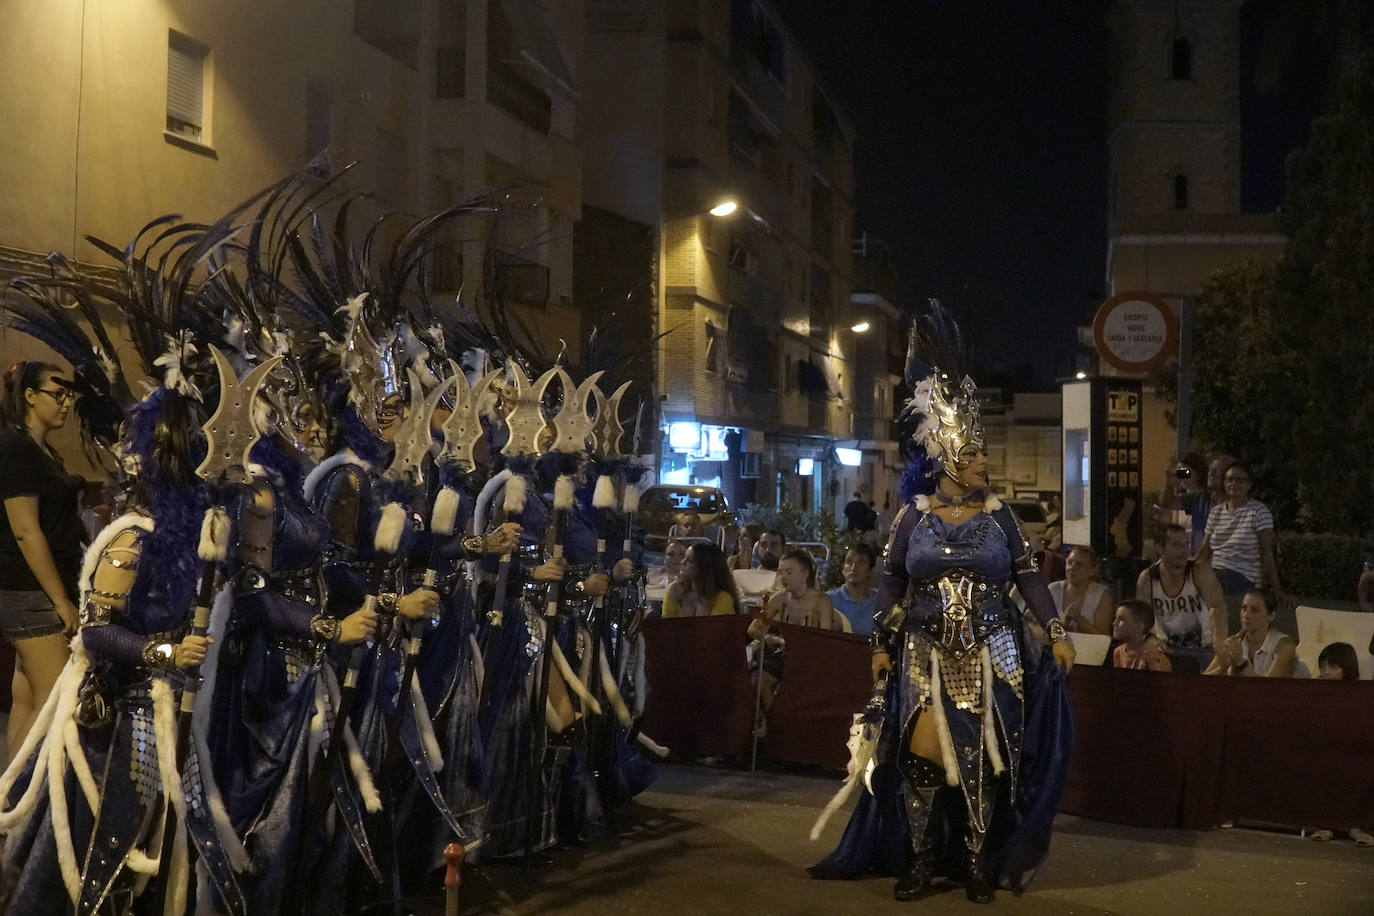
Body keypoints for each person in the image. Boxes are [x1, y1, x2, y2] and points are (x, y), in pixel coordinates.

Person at [810, 305, 1074, 903]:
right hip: (922, 647)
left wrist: (1055, 631)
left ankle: (978, 863)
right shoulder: (911, 519)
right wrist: (879, 646)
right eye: (977, 452)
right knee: (922, 752)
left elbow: (1031, 580)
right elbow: (889, 584)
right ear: (949, 455)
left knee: (984, 753)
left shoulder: (1001, 517)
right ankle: (924, 860)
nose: (985, 461)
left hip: (994, 647)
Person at [0, 361, 83, 758]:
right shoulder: (16, 449)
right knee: (54, 703)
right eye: (57, 393)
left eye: (70, 395)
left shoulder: (39, 449)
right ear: (30, 396)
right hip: (32, 591)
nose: (66, 403)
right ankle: (14, 801)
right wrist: (61, 600)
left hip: (34, 590)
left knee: (27, 699)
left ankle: (8, 806)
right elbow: (25, 531)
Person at [1196, 462, 1283, 632]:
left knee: (1209, 581)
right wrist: (1190, 571)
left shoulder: (1258, 512)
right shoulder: (1217, 512)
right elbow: (1205, 549)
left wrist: (1275, 588)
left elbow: (1267, 552)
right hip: (1215, 571)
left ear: (1249, 484)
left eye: (1239, 480)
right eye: (1229, 479)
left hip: (1242, 575)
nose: (1233, 484)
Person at [1135, 523, 1227, 673]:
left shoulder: (1199, 572)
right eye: (1177, 545)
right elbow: (1141, 619)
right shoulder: (1148, 579)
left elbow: (1217, 607)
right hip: (1166, 651)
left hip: (1202, 651)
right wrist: (1151, 638)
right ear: (1160, 548)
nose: (1184, 550)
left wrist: (1218, 638)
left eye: (1186, 544)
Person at [1204, 588, 1298, 677]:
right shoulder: (1234, 644)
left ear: (1271, 616)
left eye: (1254, 610)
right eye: (1244, 609)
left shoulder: (1284, 646)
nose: (1246, 615)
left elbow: (1267, 689)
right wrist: (1220, 669)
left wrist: (1240, 663)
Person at [1047, 545, 1114, 635]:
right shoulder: (1053, 589)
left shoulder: (1103, 594)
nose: (1072, 568)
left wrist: (1079, 620)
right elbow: (1041, 629)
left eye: (1079, 564)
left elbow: (1102, 637)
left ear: (1092, 570)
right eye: (1069, 563)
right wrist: (1064, 620)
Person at [662, 542, 741, 617]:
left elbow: (713, 630)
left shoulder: (722, 598)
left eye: (689, 560)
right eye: (684, 557)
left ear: (704, 568)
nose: (682, 562)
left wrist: (702, 608)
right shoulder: (674, 590)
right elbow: (665, 626)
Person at [828, 541, 879, 636]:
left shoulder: (879, 600)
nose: (853, 567)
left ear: (870, 569)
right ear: (843, 569)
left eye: (861, 562)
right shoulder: (829, 600)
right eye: (849, 561)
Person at [1110, 600, 1171, 671]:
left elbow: (1159, 680)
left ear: (1139, 627)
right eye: (1115, 618)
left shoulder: (1150, 653)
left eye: (1121, 619)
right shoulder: (1117, 652)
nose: (1114, 623)